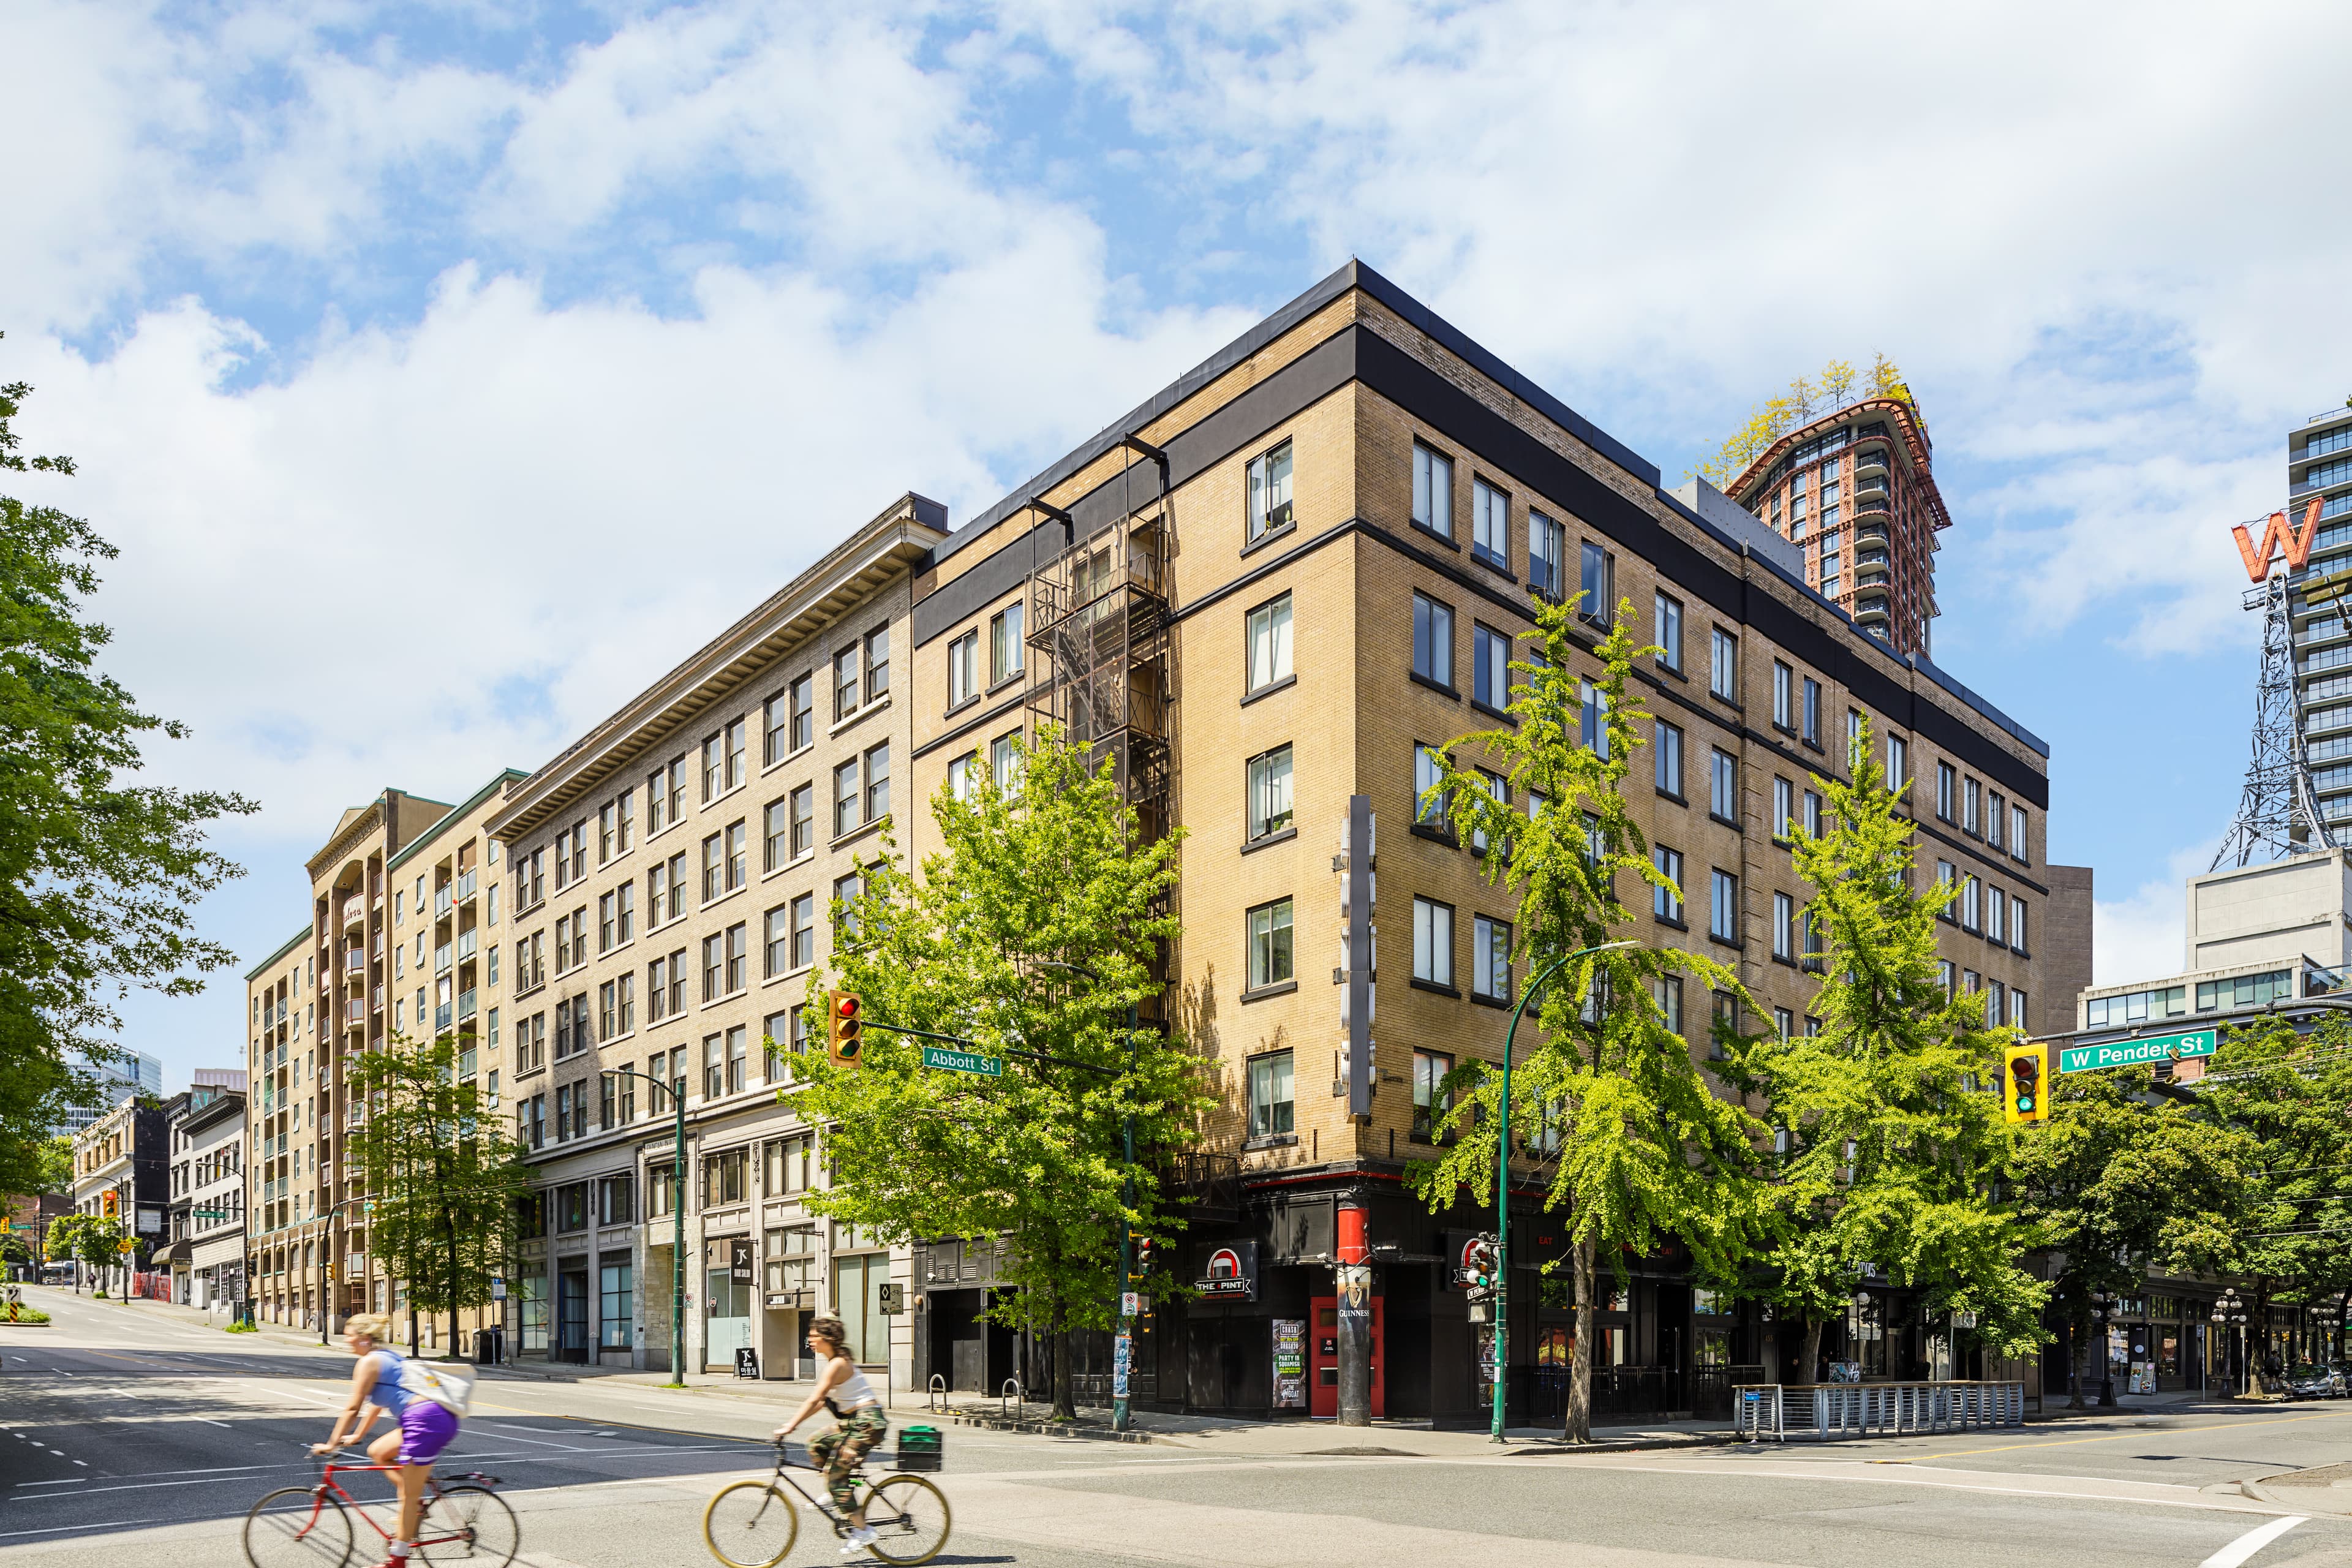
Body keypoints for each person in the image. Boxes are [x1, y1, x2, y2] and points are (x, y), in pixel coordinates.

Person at [311, 1312, 459, 1567]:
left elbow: (352, 1408)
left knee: (407, 1498)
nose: (347, 1342)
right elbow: (376, 1405)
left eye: (350, 1337)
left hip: (424, 1421)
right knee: (378, 1451)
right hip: (429, 1416)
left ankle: (397, 1559)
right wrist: (358, 1435)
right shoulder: (388, 1356)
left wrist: (331, 1443)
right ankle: (416, 1502)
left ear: (365, 1338)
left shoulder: (369, 1362)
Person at [776, 1316, 888, 1555]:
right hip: (853, 1422)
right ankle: (835, 1488)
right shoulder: (834, 1362)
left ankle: (863, 1531)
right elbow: (821, 1403)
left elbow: (815, 1399)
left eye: (814, 1336)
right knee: (816, 1443)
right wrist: (795, 1424)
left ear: (827, 1339)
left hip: (867, 1424)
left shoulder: (837, 1364)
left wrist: (790, 1425)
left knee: (838, 1480)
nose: (810, 1340)